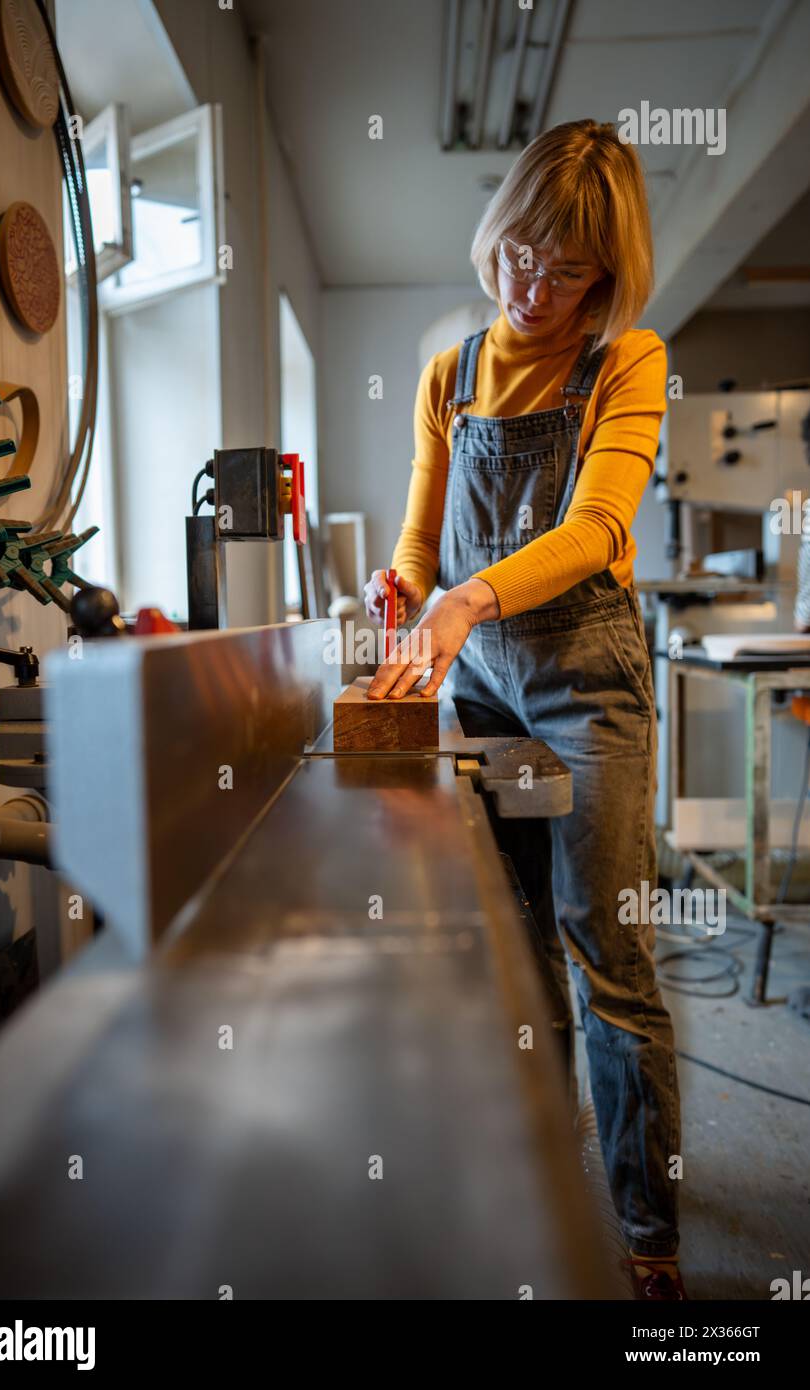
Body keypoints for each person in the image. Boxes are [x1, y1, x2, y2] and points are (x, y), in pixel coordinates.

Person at [364, 119, 685, 1300]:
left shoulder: (627, 361)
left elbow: (599, 530)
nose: (531, 288)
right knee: (511, 960)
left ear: (606, 274)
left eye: (564, 270)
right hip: (484, 689)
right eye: (515, 255)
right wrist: (405, 589)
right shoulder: (448, 373)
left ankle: (647, 1237)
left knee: (608, 950)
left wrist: (461, 601)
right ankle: (538, 1206)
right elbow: (418, 526)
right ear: (494, 234)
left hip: (584, 679)